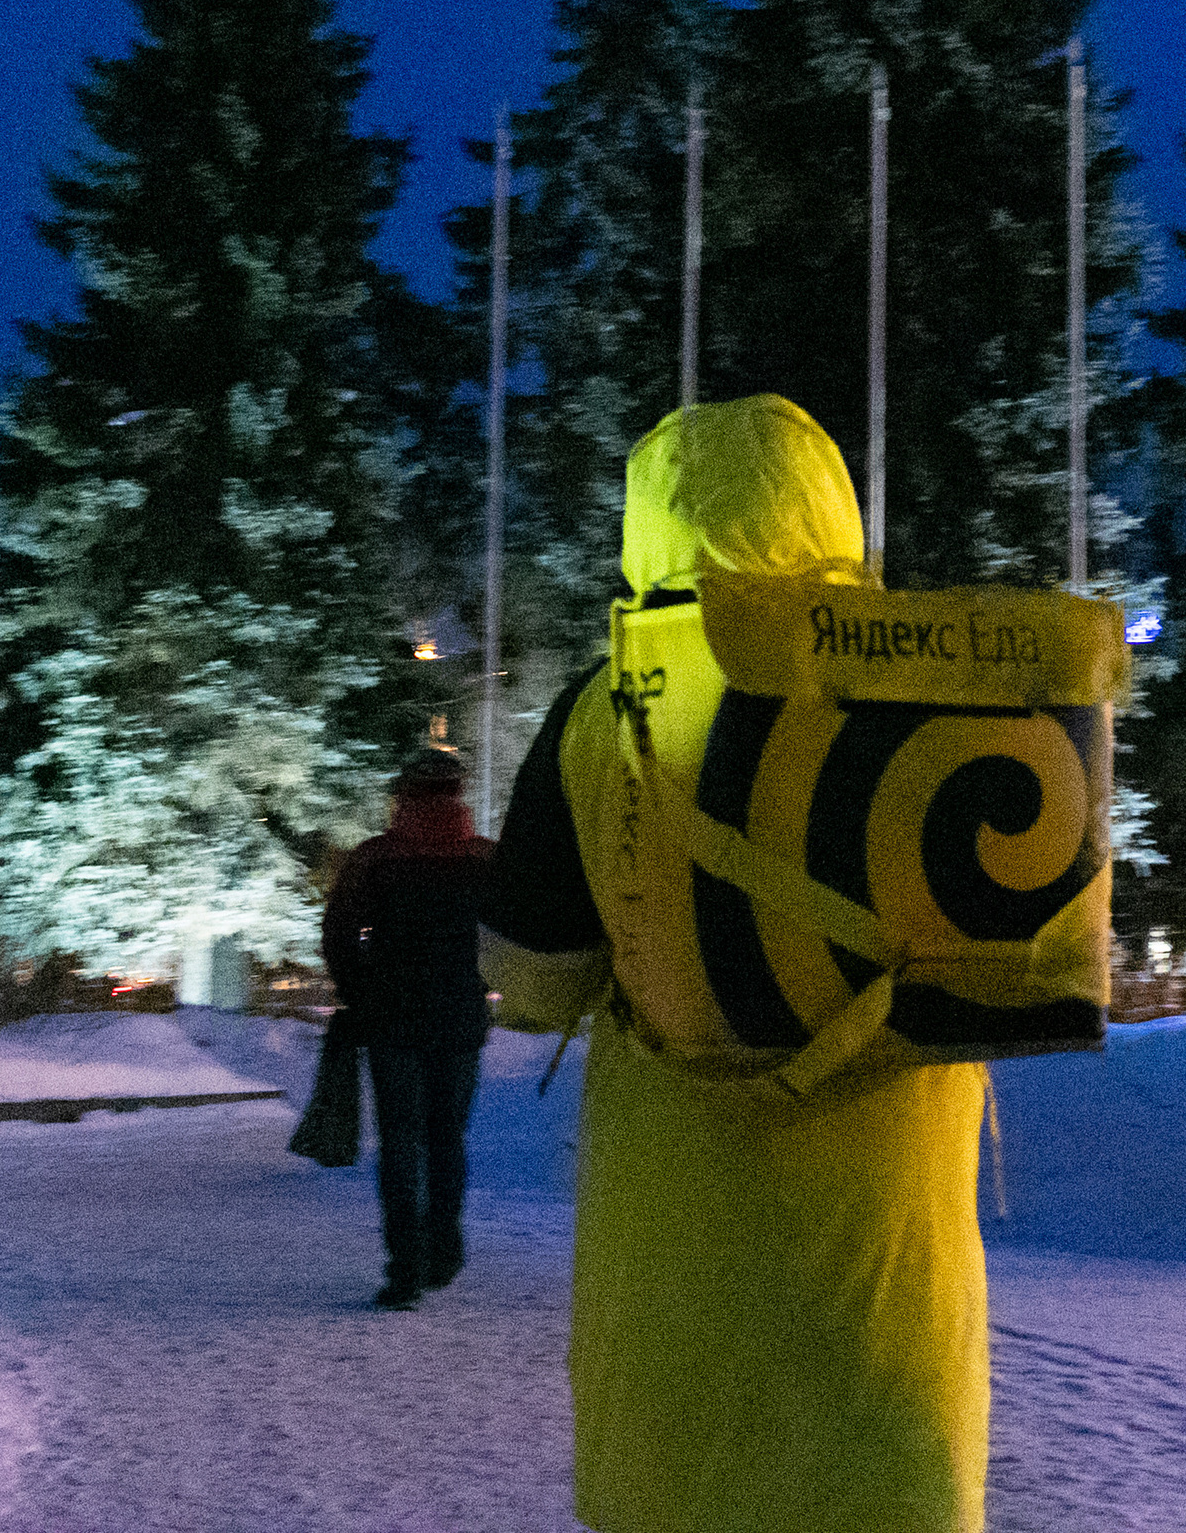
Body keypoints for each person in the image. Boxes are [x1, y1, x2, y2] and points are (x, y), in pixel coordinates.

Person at [480, 394, 990, 1533]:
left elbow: (532, 982)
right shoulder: (929, 691)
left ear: (647, 526)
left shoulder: (599, 711)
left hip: (679, 1249)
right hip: (884, 1241)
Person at [322, 748, 495, 1311]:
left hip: (393, 1020)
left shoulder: (375, 859)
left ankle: (404, 1271)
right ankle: (444, 1247)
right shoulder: (484, 858)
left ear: (402, 796)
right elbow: (514, 931)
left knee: (401, 1142)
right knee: (448, 1138)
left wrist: (362, 998)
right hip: (460, 1018)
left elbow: (338, 935)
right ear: (458, 794)